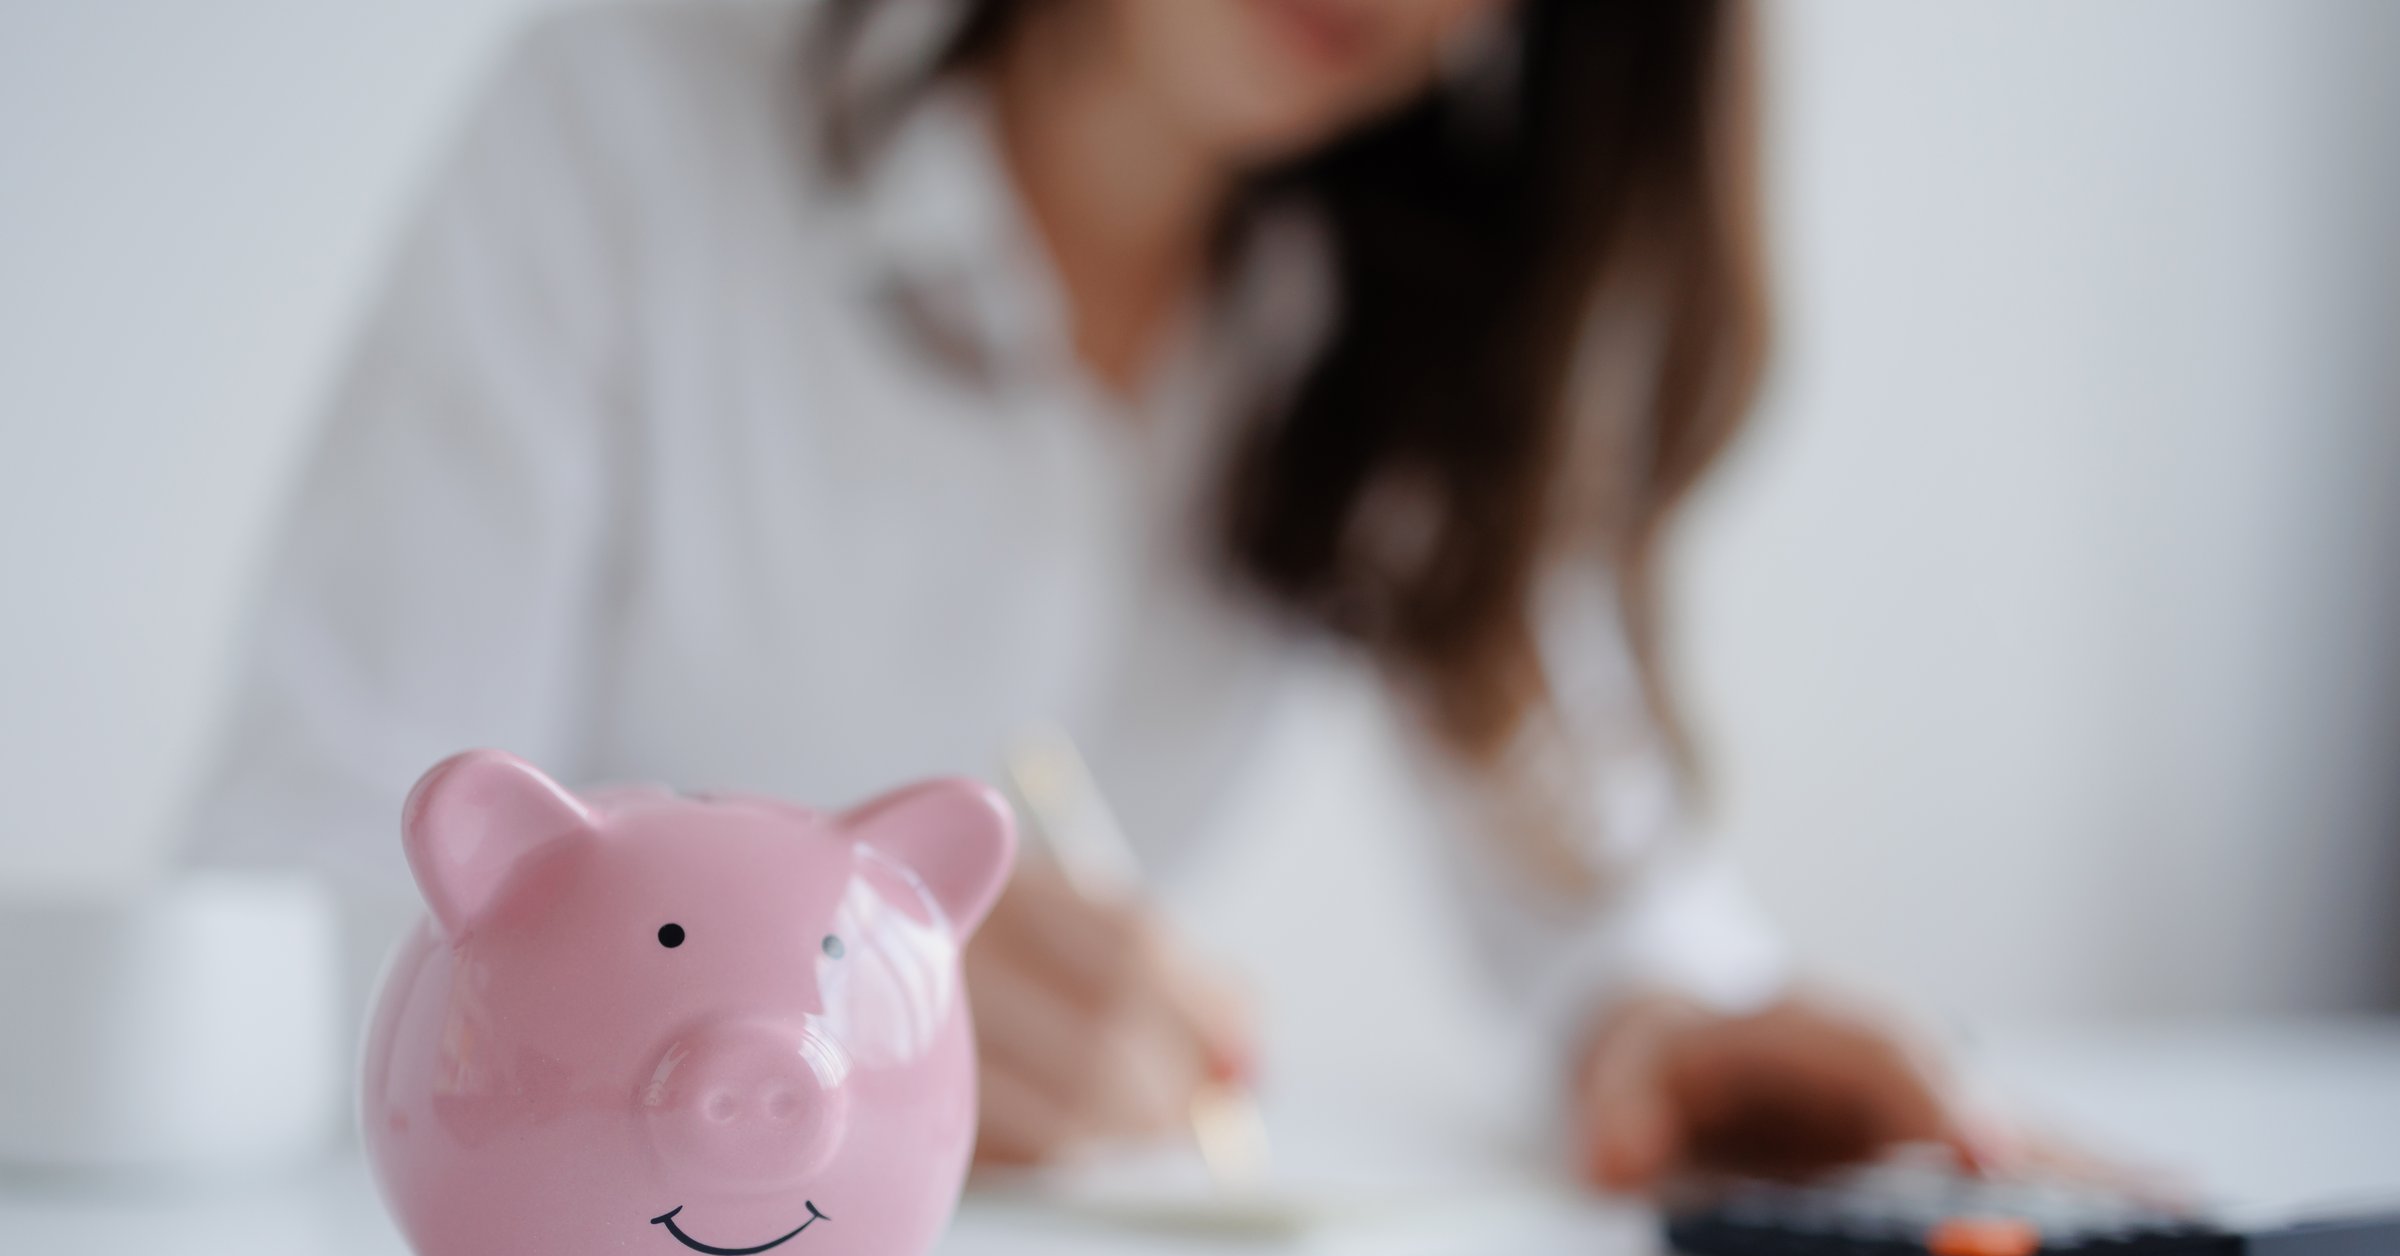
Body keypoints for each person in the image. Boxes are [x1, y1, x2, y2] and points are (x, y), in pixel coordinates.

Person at [184, 0, 1985, 1188]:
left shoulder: (1401, 297)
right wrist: (773, 1007)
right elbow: (288, 909)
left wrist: (1671, 1029)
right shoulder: (636, 118)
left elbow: (1599, 901)